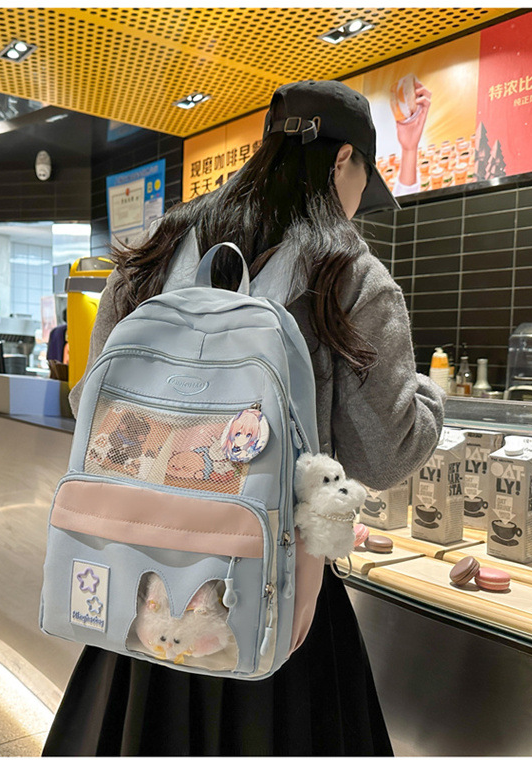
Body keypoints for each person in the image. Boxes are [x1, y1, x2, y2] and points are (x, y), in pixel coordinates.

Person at [42, 79, 445, 756]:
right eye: (363, 182)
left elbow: (92, 408)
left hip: (145, 583)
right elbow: (384, 455)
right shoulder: (347, 272)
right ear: (343, 160)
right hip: (270, 596)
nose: (357, 202)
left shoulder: (157, 250)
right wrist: (431, 396)